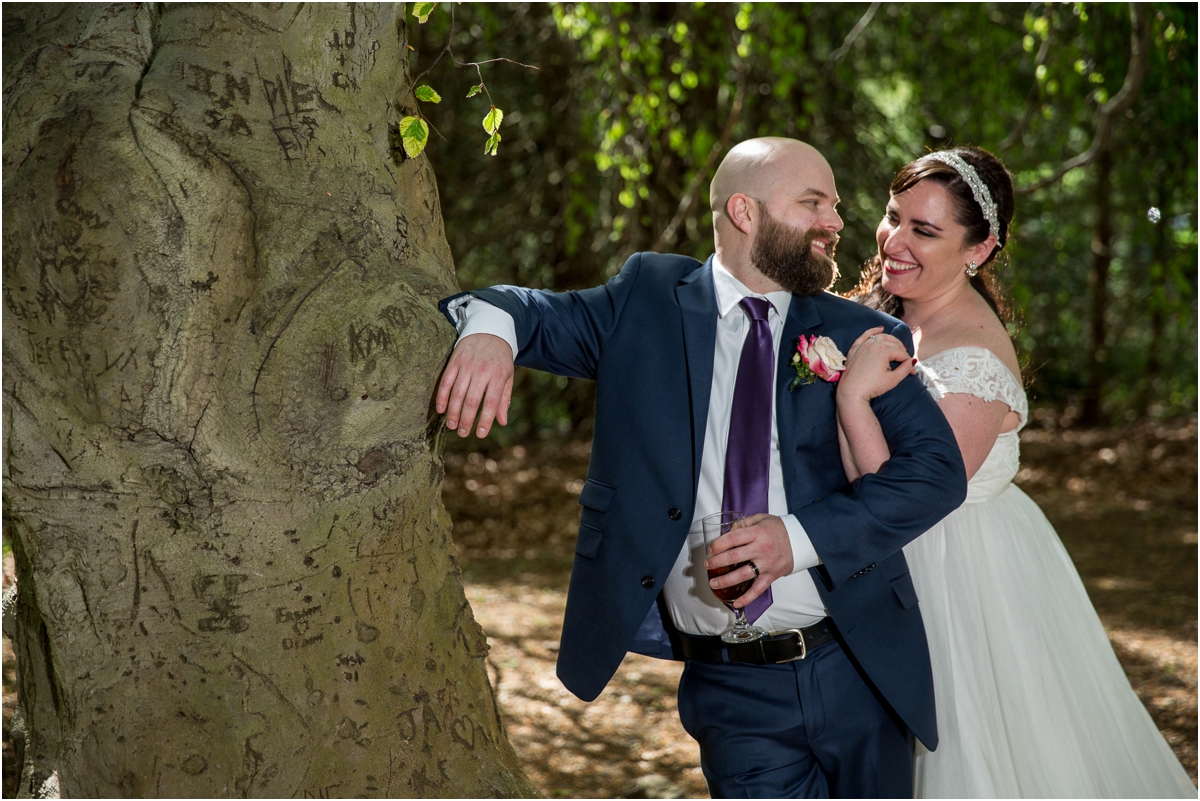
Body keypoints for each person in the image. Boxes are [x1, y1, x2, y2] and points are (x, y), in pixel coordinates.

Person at [436, 137, 968, 798]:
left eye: (833, 205)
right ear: (744, 212)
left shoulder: (860, 332)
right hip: (733, 689)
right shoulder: (644, 301)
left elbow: (937, 473)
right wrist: (489, 328)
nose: (836, 221)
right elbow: (534, 313)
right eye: (813, 203)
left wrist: (796, 539)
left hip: (856, 661)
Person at [839, 146, 1196, 798]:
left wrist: (850, 398)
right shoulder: (883, 311)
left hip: (962, 583)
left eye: (925, 230)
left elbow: (907, 494)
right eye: (894, 216)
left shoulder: (974, 358)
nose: (895, 239)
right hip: (878, 567)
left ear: (978, 251)